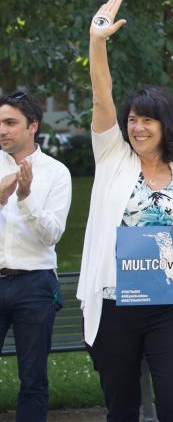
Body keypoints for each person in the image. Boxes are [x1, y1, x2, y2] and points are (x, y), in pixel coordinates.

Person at [77, 0, 173, 421]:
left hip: (172, 304)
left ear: (164, 125)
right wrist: (96, 42)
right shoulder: (113, 158)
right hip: (116, 302)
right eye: (133, 119)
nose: (137, 127)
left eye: (148, 121)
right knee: (122, 405)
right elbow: (102, 96)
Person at [0, 91, 72, 422]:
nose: (2, 129)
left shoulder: (57, 173)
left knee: (33, 377)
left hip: (35, 284)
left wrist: (25, 198)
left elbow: (52, 235)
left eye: (10, 123)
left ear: (33, 126)